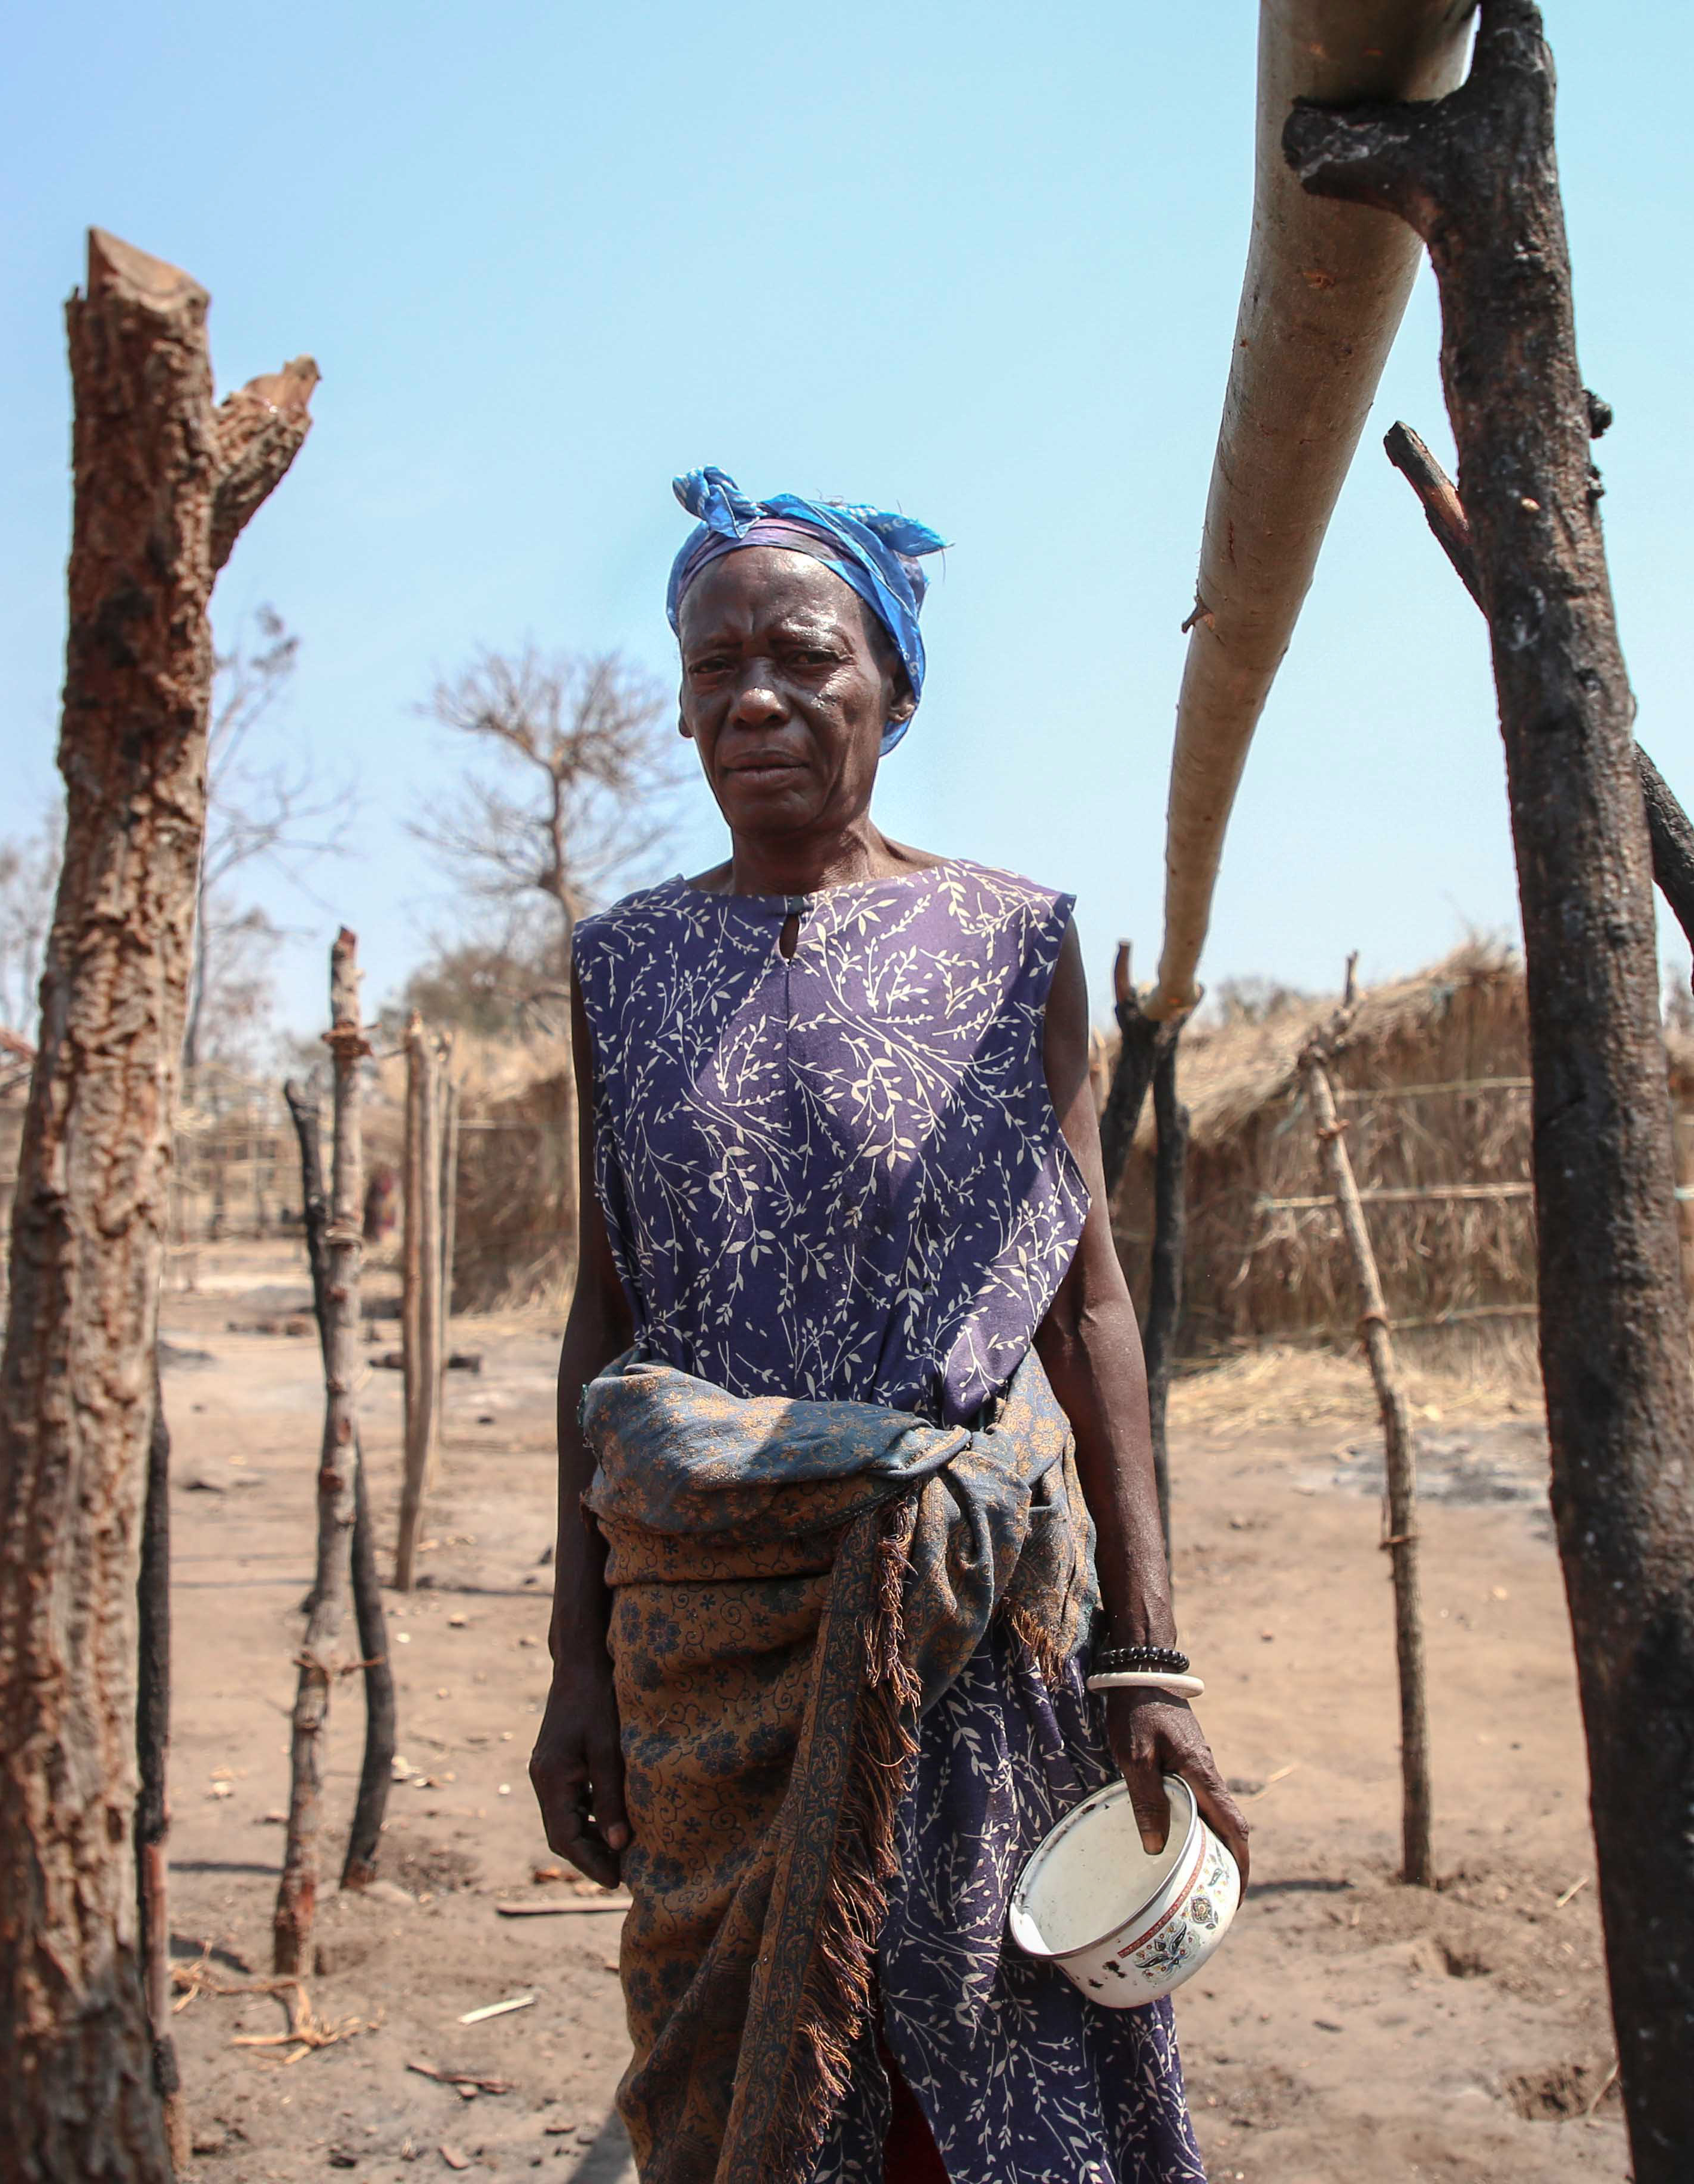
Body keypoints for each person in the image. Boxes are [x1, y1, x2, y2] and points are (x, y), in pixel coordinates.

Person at [527, 469, 1250, 2183]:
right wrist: (574, 1664)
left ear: (896, 690)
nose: (752, 700)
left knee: (982, 2071)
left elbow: (1088, 1307)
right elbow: (603, 1326)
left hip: (960, 1634)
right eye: (714, 668)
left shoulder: (1010, 944)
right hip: (707, 1648)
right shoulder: (620, 968)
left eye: (803, 657)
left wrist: (1149, 1656)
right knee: (740, 2098)